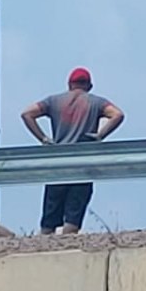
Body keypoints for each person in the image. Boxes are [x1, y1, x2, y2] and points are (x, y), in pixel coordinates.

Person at [21, 68, 125, 235]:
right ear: (89, 85)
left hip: (57, 166)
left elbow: (27, 114)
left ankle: (45, 250)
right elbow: (118, 114)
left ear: (69, 84)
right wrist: (99, 136)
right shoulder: (96, 102)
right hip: (83, 166)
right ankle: (66, 248)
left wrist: (44, 139)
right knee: (72, 220)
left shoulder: (54, 101)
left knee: (49, 223)